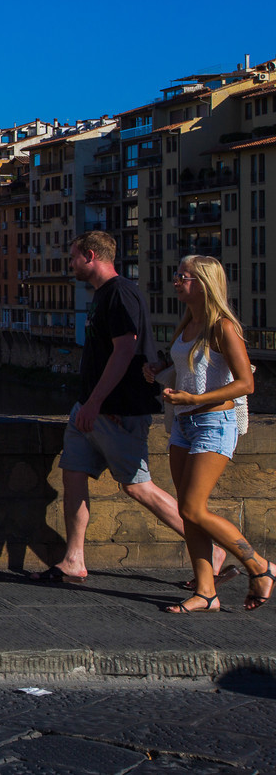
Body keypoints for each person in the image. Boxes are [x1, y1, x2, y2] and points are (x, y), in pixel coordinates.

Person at [39, 231, 225, 582]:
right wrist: (87, 403)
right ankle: (74, 559)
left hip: (117, 410)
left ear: (91, 256)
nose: (70, 264)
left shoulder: (121, 293)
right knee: (73, 474)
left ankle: (210, 548)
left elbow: (125, 350)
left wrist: (96, 402)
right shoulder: (102, 296)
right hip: (89, 408)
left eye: (73, 257)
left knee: (138, 486)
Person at [145, 255, 273, 612]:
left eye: (182, 276)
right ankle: (206, 592)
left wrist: (195, 398)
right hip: (184, 424)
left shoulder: (223, 327)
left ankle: (259, 566)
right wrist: (162, 370)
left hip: (214, 424)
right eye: (176, 274)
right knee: (188, 514)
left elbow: (246, 382)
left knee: (192, 507)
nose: (175, 281)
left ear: (203, 283)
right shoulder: (187, 323)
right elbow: (193, 369)